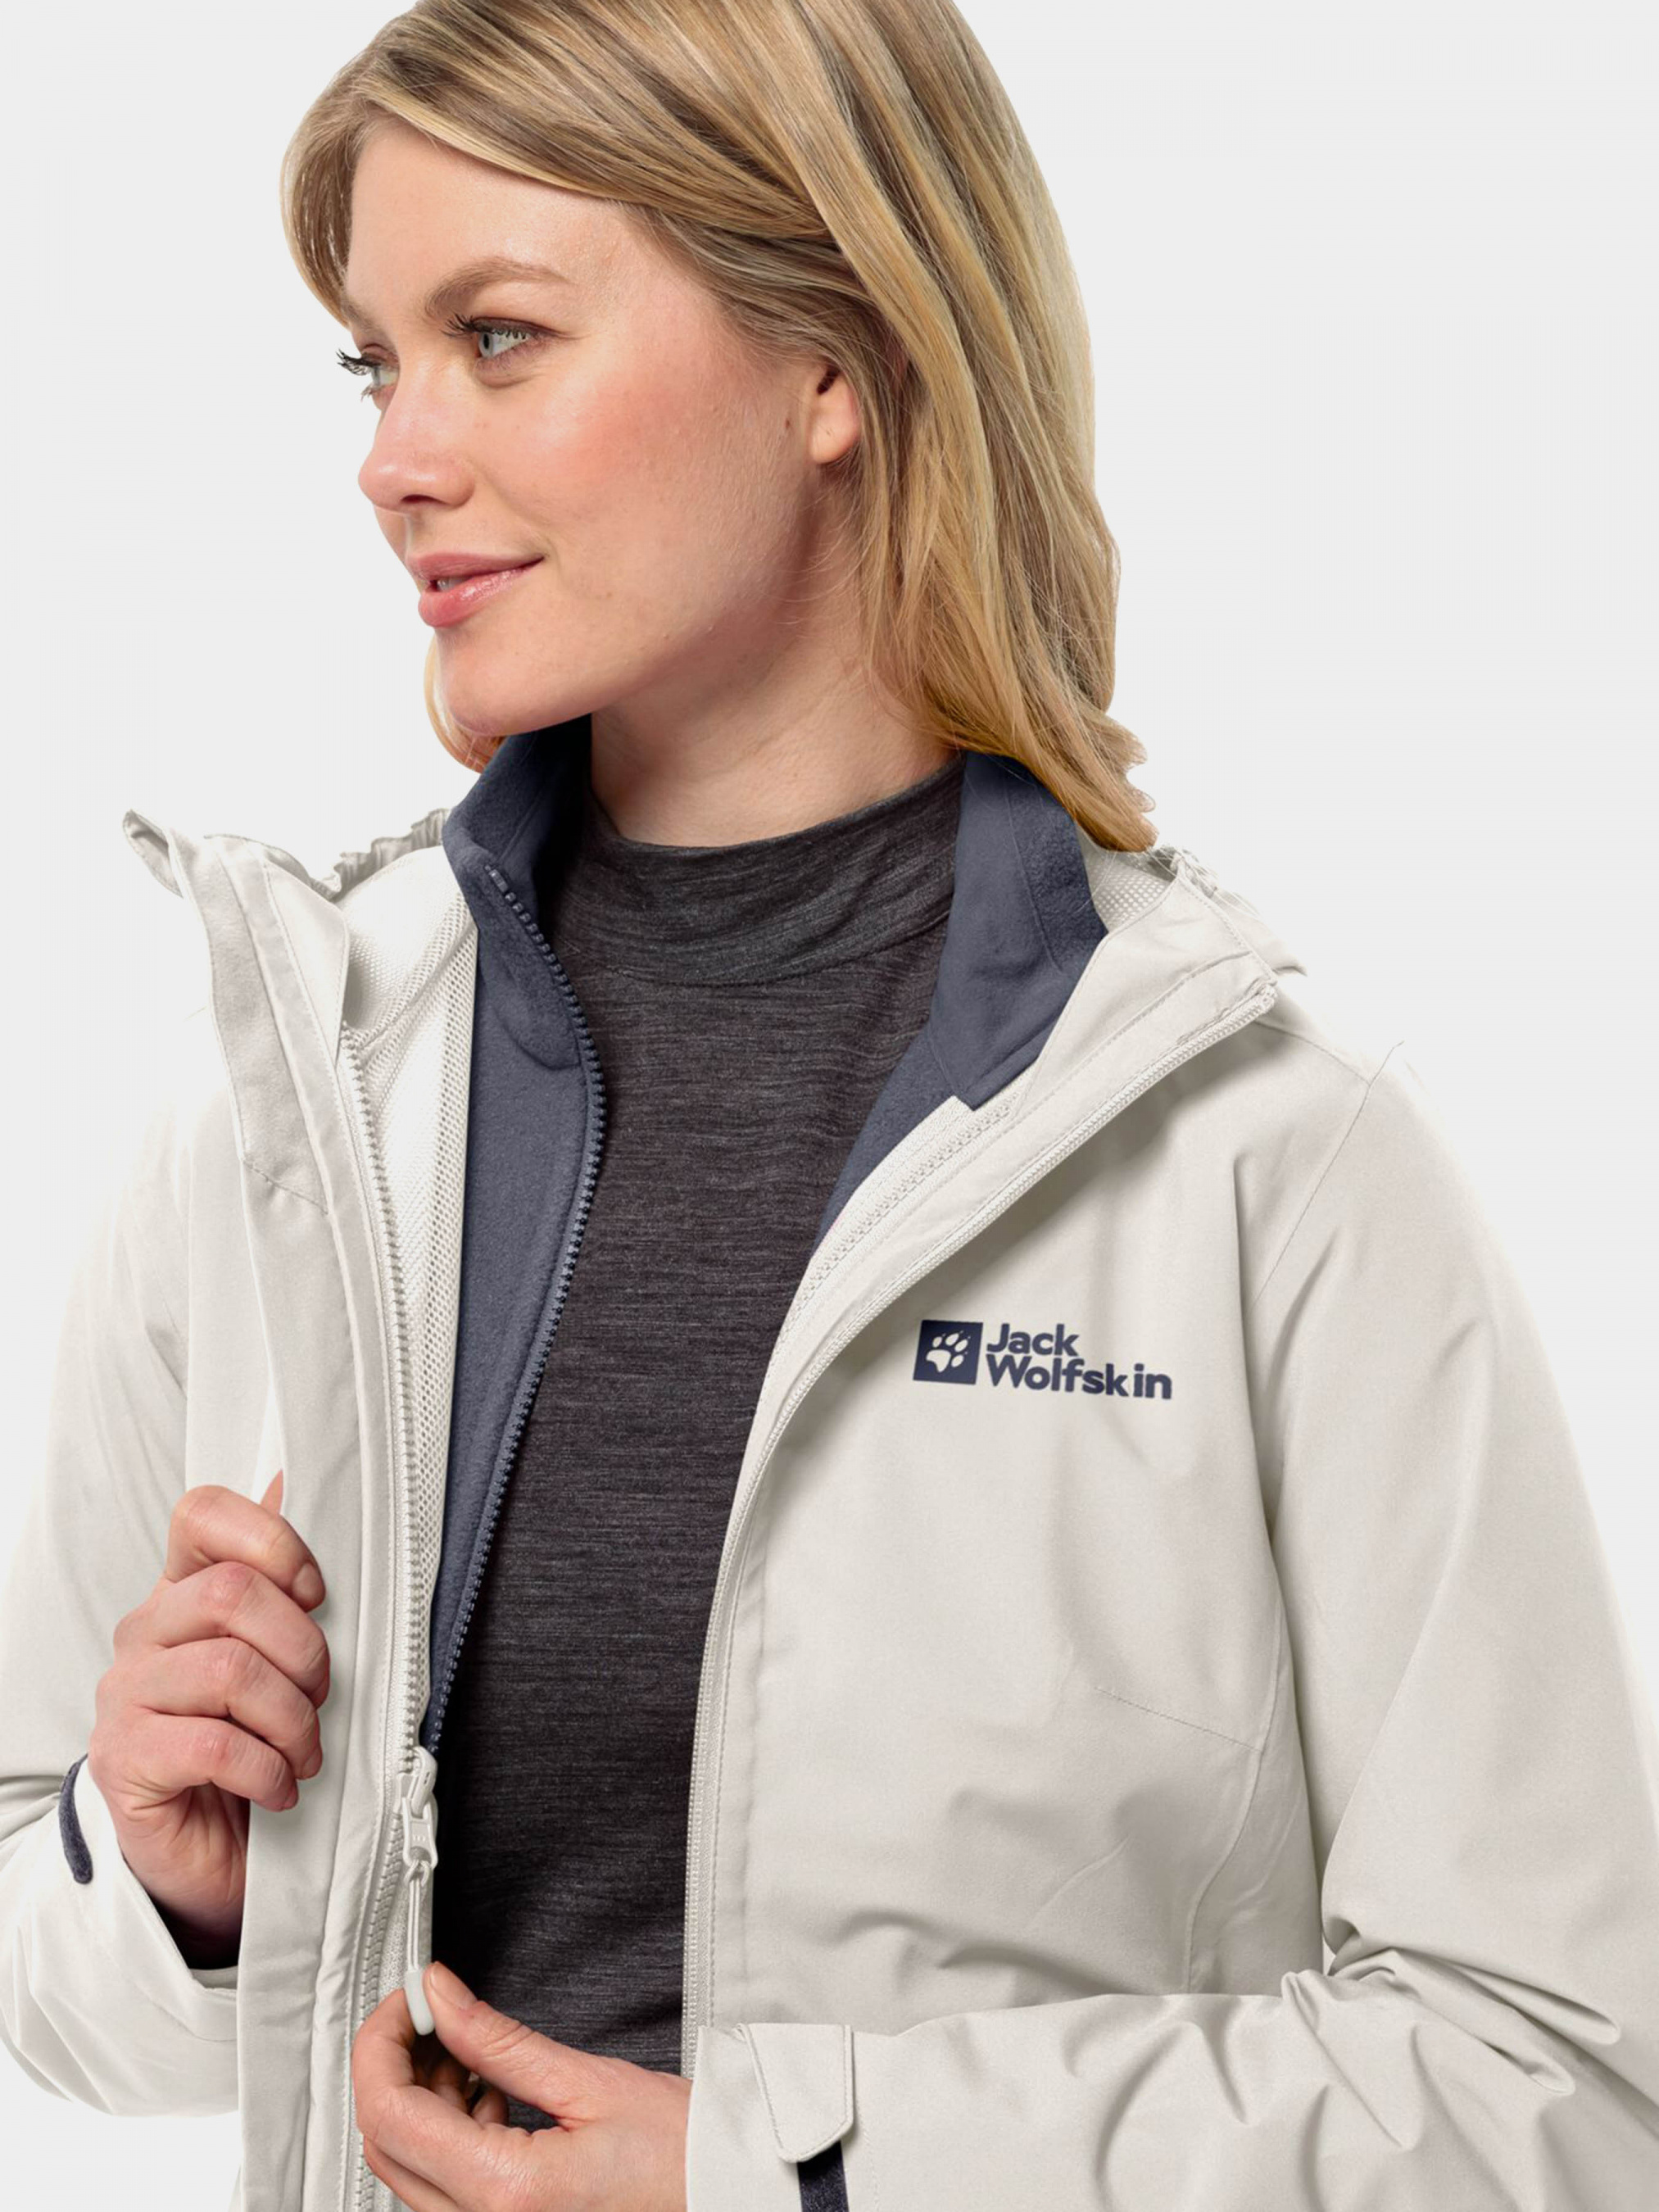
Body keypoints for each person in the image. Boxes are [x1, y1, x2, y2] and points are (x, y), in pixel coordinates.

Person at [2, 2, 1657, 2208]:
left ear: (834, 361)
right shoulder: (292, 1111)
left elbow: (1557, 2080)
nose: (392, 457)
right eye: (370, 364)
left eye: (495, 339)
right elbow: (49, 1970)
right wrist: (167, 1874)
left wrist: (801, 2172)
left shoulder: (1269, 1153)